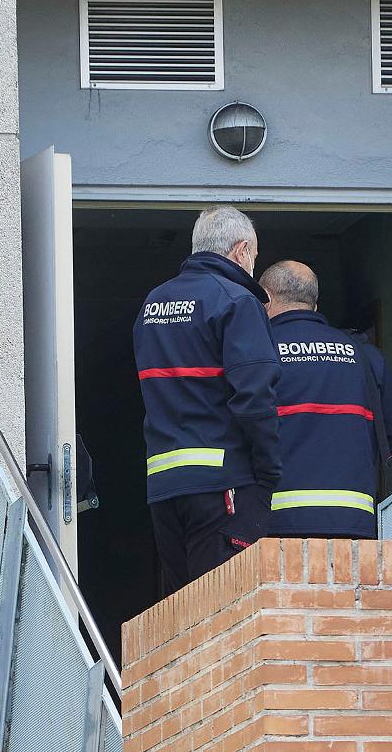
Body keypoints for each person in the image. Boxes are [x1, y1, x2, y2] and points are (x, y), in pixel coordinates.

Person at [133, 205, 282, 594]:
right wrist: (267, 475)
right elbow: (254, 397)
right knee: (221, 609)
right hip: (222, 484)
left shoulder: (153, 304)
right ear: (241, 250)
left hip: (165, 484)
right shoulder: (236, 301)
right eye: (254, 255)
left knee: (181, 611)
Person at [258, 261, 392, 539]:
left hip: (277, 523)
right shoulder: (365, 355)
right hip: (355, 522)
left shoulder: (256, 354)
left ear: (265, 298)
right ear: (314, 304)